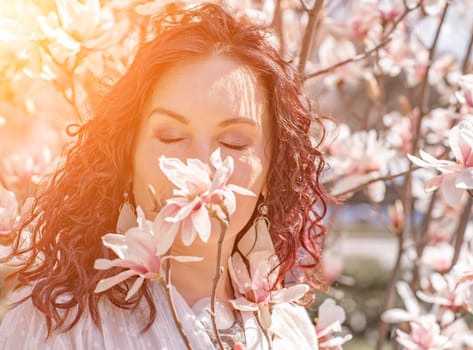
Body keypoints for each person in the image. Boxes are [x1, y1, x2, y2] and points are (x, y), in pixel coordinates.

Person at [0, 3, 329, 349]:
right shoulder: (59, 322)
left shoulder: (289, 328)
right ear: (127, 156)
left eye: (233, 142)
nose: (199, 165)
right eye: (171, 136)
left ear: (271, 170)